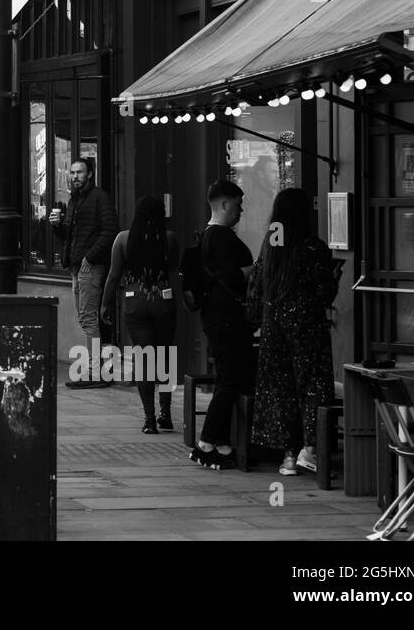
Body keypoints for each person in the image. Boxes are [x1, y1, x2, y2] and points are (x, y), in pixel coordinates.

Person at [248, 187, 340, 476]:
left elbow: (257, 284)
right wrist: (335, 277)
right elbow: (324, 292)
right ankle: (310, 450)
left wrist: (255, 320)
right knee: (312, 384)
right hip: (306, 325)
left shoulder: (271, 245)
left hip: (273, 323)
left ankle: (288, 456)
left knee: (281, 388)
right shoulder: (314, 248)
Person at [187, 179, 255, 471]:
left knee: (228, 378)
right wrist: (258, 268)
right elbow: (234, 277)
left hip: (215, 319)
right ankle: (206, 442)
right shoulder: (222, 238)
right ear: (225, 204)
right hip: (227, 319)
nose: (242, 210)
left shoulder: (205, 235)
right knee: (231, 380)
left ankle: (221, 443)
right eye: (238, 204)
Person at [101, 195, 182, 433]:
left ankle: (149, 419)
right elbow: (173, 269)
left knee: (144, 359)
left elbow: (114, 276)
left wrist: (105, 304)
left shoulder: (123, 239)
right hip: (163, 300)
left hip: (134, 301)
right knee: (165, 356)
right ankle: (165, 413)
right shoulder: (170, 239)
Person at [49, 158, 118, 387]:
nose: (75, 176)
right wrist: (57, 226)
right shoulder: (74, 200)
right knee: (84, 318)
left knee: (88, 319)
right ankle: (93, 369)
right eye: (73, 172)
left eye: (80, 172)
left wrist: (90, 257)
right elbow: (70, 237)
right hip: (76, 268)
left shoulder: (100, 198)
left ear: (90, 174)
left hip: (90, 267)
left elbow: (110, 231)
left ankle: (94, 372)